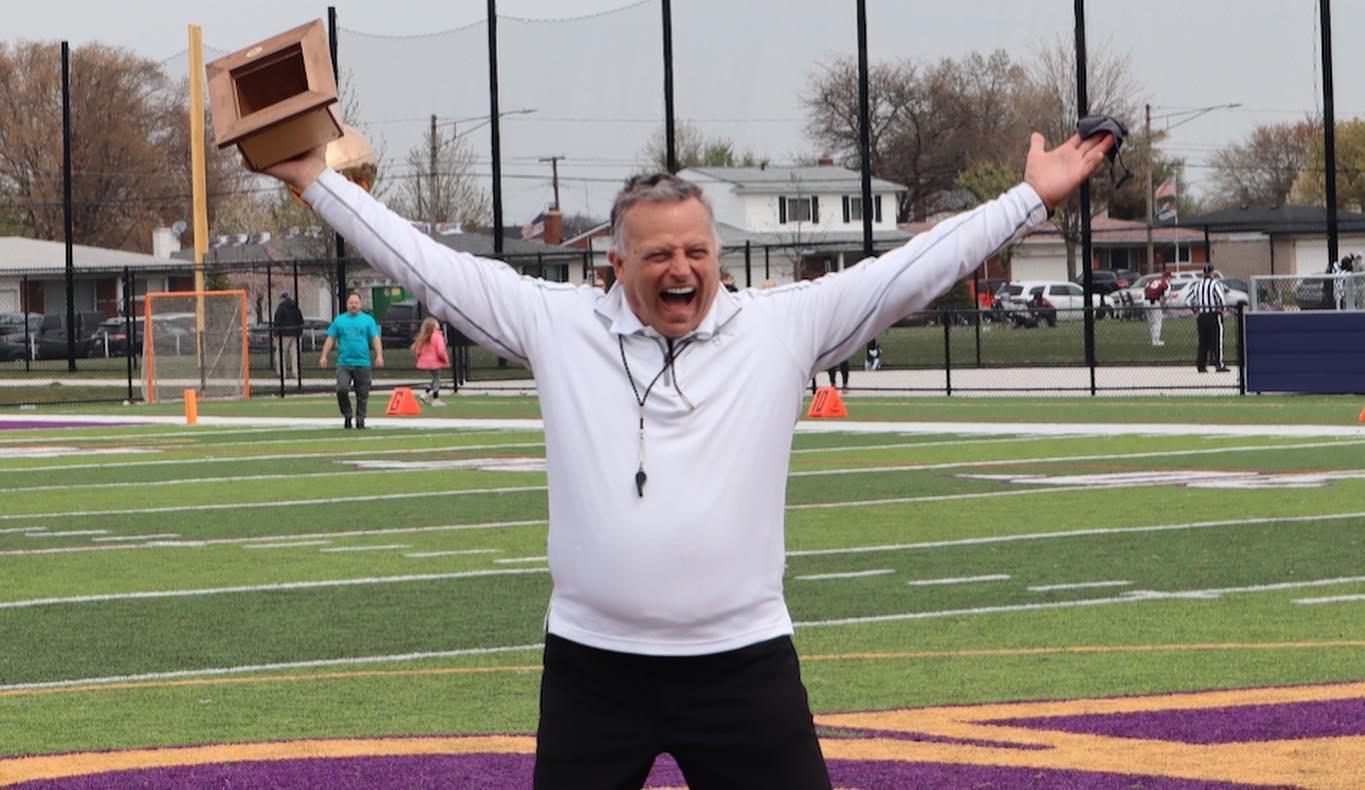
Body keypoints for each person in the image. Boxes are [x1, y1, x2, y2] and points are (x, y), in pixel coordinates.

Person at [262, 128, 1111, 788]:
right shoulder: (559, 324)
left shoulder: (781, 328)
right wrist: (313, 179)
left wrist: (1028, 199)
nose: (682, 269)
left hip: (743, 665)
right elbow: (426, 266)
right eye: (660, 254)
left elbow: (913, 269)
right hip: (592, 670)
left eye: (697, 252)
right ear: (615, 263)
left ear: (717, 258)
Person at [318, 292, 384, 428]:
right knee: (341, 389)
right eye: (351, 303)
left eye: (356, 303)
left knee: (362, 393)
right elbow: (330, 338)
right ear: (347, 304)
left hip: (363, 362)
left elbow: (375, 338)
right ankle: (347, 414)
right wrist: (324, 355)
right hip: (344, 363)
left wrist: (379, 355)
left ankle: (360, 419)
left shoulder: (368, 320)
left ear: (360, 304)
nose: (353, 305)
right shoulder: (339, 320)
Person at [1188, 263, 1230, 373]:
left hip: (1201, 316)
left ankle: (1201, 365)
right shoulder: (1215, 284)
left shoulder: (1197, 285)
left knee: (1203, 341)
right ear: (1212, 273)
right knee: (1217, 340)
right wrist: (1223, 310)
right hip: (1213, 315)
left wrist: (1195, 310)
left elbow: (1188, 300)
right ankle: (1219, 364)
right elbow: (1221, 298)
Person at [411, 316, 451, 406]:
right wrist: (445, 359)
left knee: (435, 378)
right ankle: (435, 399)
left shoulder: (424, 337)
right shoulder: (437, 336)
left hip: (426, 363)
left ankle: (424, 394)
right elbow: (441, 351)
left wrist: (421, 360)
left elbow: (418, 351)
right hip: (434, 362)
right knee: (437, 379)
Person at [272, 291, 305, 379]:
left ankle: (282, 374)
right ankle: (296, 373)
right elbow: (301, 321)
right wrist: (299, 332)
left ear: (282, 299)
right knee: (295, 355)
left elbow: (277, 321)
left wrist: (275, 333)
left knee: (280, 354)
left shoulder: (281, 307)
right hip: (295, 334)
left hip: (284, 334)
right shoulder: (295, 307)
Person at [1144, 269, 1171, 346]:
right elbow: (1164, 298)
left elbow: (1145, 289)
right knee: (1157, 322)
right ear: (1168, 277)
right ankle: (1156, 341)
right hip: (1154, 302)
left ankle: (1154, 340)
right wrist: (1161, 303)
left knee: (1152, 322)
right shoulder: (1166, 284)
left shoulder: (1153, 281)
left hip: (1145, 302)